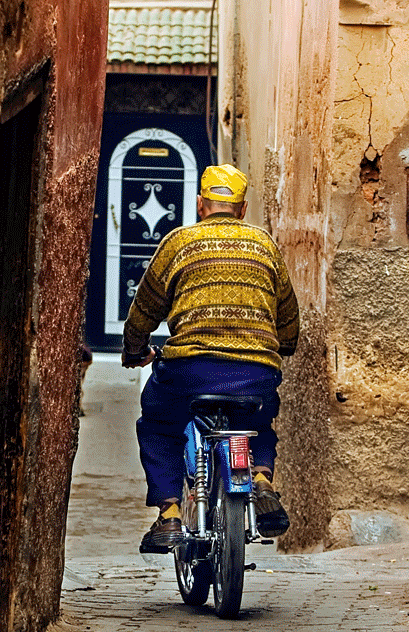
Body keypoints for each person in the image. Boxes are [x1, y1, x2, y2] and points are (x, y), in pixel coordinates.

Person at [122, 163, 299, 553]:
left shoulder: (179, 242)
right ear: (243, 208)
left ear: (201, 204)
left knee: (158, 423)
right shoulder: (264, 244)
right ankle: (262, 478)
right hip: (255, 372)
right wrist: (283, 345)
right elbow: (287, 311)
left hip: (191, 371)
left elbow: (145, 307)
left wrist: (135, 348)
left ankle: (169, 513)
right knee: (258, 421)